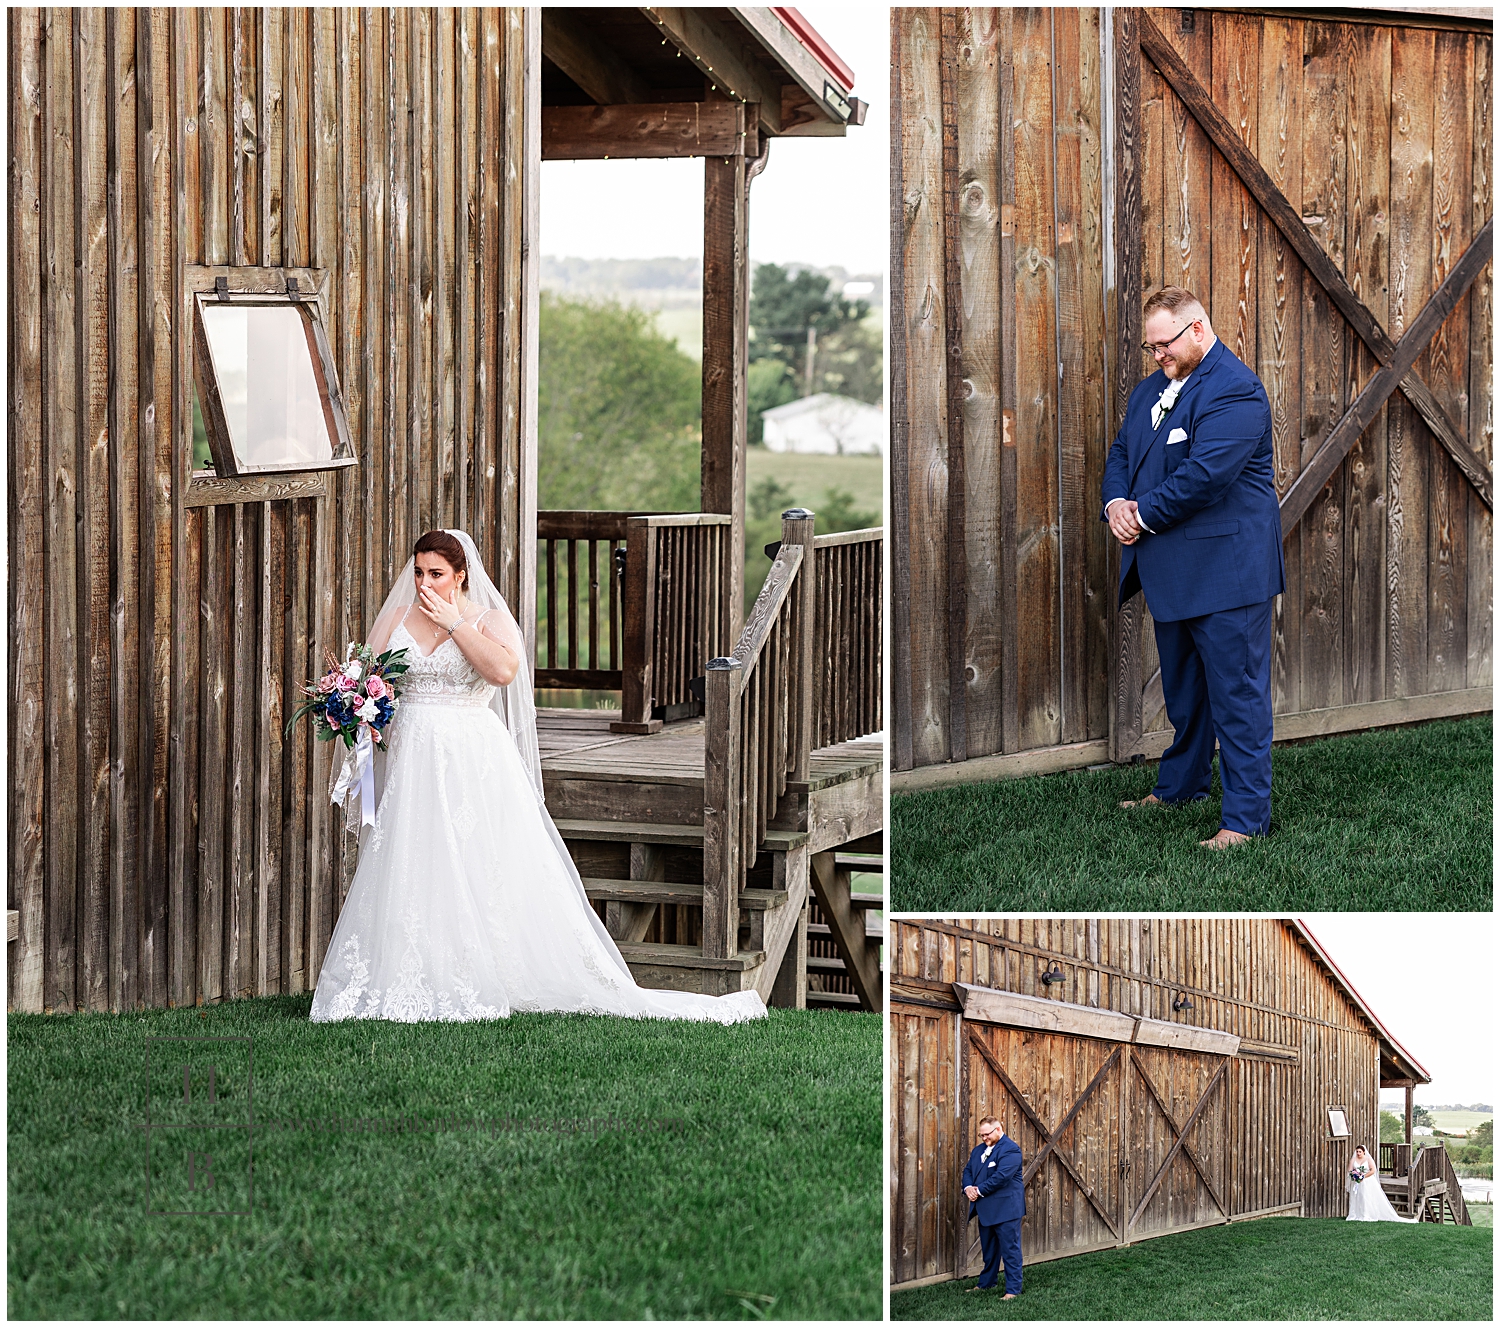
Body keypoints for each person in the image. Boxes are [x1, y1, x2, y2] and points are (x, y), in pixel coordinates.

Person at [309, 528, 767, 1025]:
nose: (425, 583)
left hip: (468, 755)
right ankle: (405, 972)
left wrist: (456, 623)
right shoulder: (398, 617)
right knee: (410, 857)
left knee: (474, 860)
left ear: (461, 576)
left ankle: (481, 970)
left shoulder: (488, 618)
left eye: (436, 574)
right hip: (411, 758)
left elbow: (502, 671)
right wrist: (351, 702)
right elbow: (363, 677)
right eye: (419, 573)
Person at [1101, 286, 1285, 848]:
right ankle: (1181, 785)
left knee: (1238, 696)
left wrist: (1139, 516)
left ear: (1199, 328)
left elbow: (1205, 477)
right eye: (1151, 347)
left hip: (1228, 572)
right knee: (1184, 693)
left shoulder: (1236, 391)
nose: (1159, 356)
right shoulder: (1149, 391)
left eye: (1166, 345)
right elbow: (1122, 455)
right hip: (1173, 570)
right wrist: (1114, 504)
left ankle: (1245, 820)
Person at [962, 1116, 1025, 1297]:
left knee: (1010, 1251)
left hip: (1006, 1210)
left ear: (998, 1129)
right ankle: (986, 1283)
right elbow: (968, 1171)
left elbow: (1001, 1177)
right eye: (981, 1135)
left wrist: (978, 1190)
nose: (984, 1139)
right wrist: (968, 1188)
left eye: (987, 1134)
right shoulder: (978, 1151)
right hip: (986, 1210)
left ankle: (1013, 1290)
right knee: (989, 1251)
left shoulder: (1011, 1150)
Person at [1346, 1144, 1417, 1222]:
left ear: (1364, 1152)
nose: (1358, 1153)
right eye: (1357, 1152)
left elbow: (1373, 1170)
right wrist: (1355, 1176)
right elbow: (1350, 1170)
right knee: (1356, 1197)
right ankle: (1355, 1214)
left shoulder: (1368, 1159)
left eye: (1360, 1151)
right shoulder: (1353, 1159)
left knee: (1365, 1197)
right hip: (1357, 1182)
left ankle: (1366, 1214)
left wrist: (1363, 1177)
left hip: (1367, 1181)